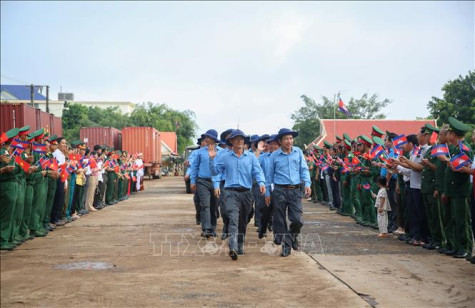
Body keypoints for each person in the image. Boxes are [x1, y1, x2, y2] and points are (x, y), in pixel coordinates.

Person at [208, 129, 266, 260]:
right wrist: (211, 159)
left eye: (241, 139)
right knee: (233, 218)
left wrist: (262, 183)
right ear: (232, 141)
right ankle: (232, 247)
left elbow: (258, 172)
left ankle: (240, 244)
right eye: (236, 139)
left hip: (246, 193)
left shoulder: (250, 157)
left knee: (243, 221)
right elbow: (215, 171)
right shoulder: (224, 157)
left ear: (244, 141)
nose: (239, 141)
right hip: (230, 192)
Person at [265, 128, 311, 257]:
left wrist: (307, 183)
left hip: (296, 190)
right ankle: (286, 246)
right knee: (280, 221)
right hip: (279, 190)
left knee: (297, 220)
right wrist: (268, 193)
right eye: (286, 139)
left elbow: (304, 169)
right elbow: (269, 176)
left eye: (291, 138)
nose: (289, 141)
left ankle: (292, 237)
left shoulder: (298, 152)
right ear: (280, 141)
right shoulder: (274, 156)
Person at [190, 129, 221, 238]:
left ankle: (213, 228)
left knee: (214, 205)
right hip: (202, 181)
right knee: (205, 205)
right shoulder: (200, 152)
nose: (206, 139)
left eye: (209, 137)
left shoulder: (220, 152)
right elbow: (194, 167)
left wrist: (217, 185)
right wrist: (192, 181)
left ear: (214, 140)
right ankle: (206, 228)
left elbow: (220, 170)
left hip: (216, 183)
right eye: (205, 137)